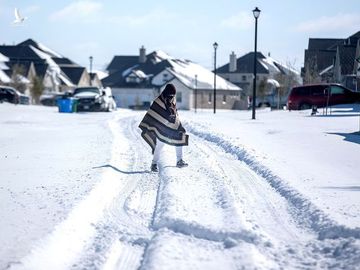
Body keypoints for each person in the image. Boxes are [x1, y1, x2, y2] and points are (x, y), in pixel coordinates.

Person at [139, 83, 189, 172]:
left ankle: (179, 161)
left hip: (173, 126)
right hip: (161, 127)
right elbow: (154, 113)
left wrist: (176, 121)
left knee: (179, 139)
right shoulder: (158, 101)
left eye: (173, 95)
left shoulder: (173, 100)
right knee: (160, 145)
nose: (171, 97)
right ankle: (154, 164)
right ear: (166, 93)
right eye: (170, 95)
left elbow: (174, 112)